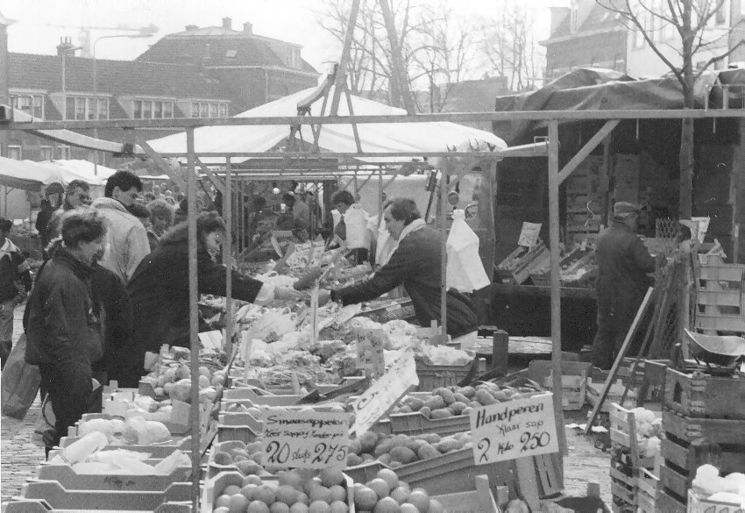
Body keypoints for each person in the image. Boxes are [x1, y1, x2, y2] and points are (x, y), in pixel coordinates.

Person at [125, 211, 302, 386]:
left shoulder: (177, 249)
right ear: (202, 233)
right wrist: (273, 292)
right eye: (217, 241)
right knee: (147, 377)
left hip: (149, 322)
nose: (218, 249)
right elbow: (221, 279)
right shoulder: (186, 255)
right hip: (149, 328)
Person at [327, 198, 478, 337]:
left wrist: (334, 296)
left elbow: (377, 285)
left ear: (402, 220)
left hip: (451, 324)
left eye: (388, 221)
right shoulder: (428, 234)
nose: (386, 228)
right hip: (457, 318)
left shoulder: (413, 244)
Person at [24, 209, 106, 454]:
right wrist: (81, 381)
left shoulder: (60, 268)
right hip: (66, 372)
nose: (99, 249)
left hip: (61, 369)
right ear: (80, 244)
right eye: (96, 242)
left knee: (63, 431)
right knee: (67, 435)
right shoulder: (65, 278)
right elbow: (66, 337)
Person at [592, 201, 660, 369]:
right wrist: (662, 259)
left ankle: (599, 370)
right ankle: (620, 371)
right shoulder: (631, 240)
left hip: (605, 292)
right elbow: (648, 265)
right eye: (635, 219)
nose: (636, 223)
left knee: (605, 330)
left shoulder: (602, 237)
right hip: (626, 294)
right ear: (629, 218)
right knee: (624, 332)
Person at [91, 171, 150, 284]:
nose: (134, 202)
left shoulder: (81, 218)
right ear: (116, 192)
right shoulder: (133, 225)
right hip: (117, 295)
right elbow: (141, 276)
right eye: (132, 196)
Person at [0, 218, 33, 368]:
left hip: (6, 300)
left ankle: (5, 370)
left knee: (4, 339)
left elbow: (26, 276)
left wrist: (19, 297)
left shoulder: (14, 253)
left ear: (5, 233)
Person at [331, 190, 371, 264]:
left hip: (360, 253)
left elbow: (356, 243)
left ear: (346, 204)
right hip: (359, 252)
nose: (338, 210)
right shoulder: (355, 212)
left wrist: (344, 256)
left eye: (339, 206)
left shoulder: (353, 216)